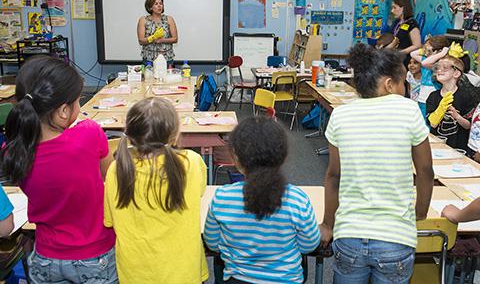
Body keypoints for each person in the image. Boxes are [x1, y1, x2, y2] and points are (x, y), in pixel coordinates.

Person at [320, 43, 434, 284]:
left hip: (349, 233)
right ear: (389, 84)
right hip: (395, 238)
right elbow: (424, 170)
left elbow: (333, 177)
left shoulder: (340, 115)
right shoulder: (409, 109)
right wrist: (420, 212)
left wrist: (328, 224)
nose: (405, 89)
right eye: (403, 83)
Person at [1, 55, 117, 283]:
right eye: (78, 101)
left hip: (45, 257)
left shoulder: (14, 147)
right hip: (95, 256)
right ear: (64, 111)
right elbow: (112, 179)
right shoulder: (89, 133)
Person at [204, 116, 321, 284]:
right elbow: (309, 245)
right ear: (283, 156)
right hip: (286, 280)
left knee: (220, 261)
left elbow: (213, 244)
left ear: (235, 158)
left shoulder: (222, 198)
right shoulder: (297, 200)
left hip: (237, 280)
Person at [104, 97, 208, 284]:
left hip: (135, 274)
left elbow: (109, 220)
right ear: (174, 135)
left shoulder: (117, 169)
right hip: (183, 272)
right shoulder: (190, 163)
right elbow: (200, 191)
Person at [426, 51, 477, 151]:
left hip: (458, 147)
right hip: (437, 146)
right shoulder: (433, 96)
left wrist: (457, 116)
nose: (439, 70)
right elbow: (432, 124)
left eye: (444, 67)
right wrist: (440, 109)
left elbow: (469, 126)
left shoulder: (466, 96)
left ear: (456, 73)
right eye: (437, 67)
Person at [411, 35, 450, 118]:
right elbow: (413, 53)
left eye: (429, 50)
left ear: (439, 51)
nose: (427, 53)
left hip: (433, 98)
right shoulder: (426, 59)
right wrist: (425, 48)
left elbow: (425, 63)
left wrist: (442, 53)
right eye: (426, 50)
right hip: (422, 98)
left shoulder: (440, 63)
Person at [137, 0, 178, 65]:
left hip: (167, 59)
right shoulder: (143, 20)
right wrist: (153, 37)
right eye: (156, 4)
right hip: (149, 59)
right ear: (150, 7)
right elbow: (141, 41)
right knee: (148, 76)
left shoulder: (169, 19)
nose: (159, 6)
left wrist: (161, 40)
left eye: (161, 3)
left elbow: (175, 39)